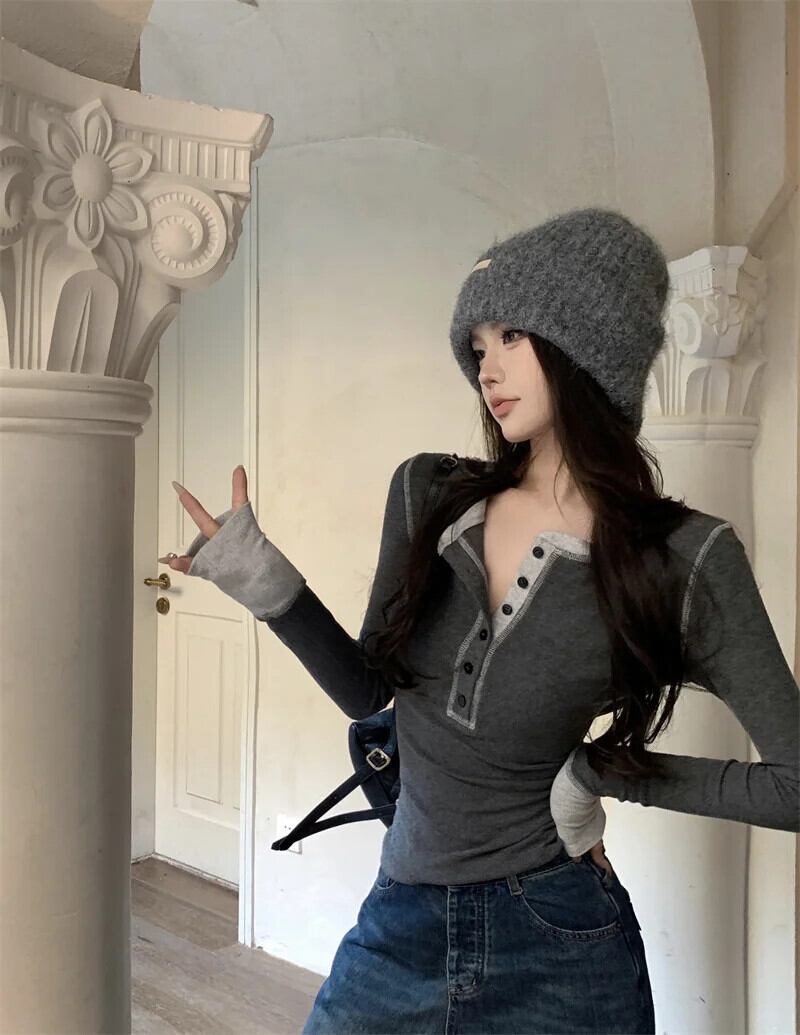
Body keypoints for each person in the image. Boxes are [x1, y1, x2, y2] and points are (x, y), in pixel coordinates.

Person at [159, 206, 799, 1034]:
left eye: (511, 337)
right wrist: (261, 577)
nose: (485, 368)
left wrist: (596, 773)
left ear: (590, 342)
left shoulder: (686, 556)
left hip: (563, 939)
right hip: (401, 921)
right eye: (476, 345)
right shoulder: (429, 494)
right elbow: (368, 692)